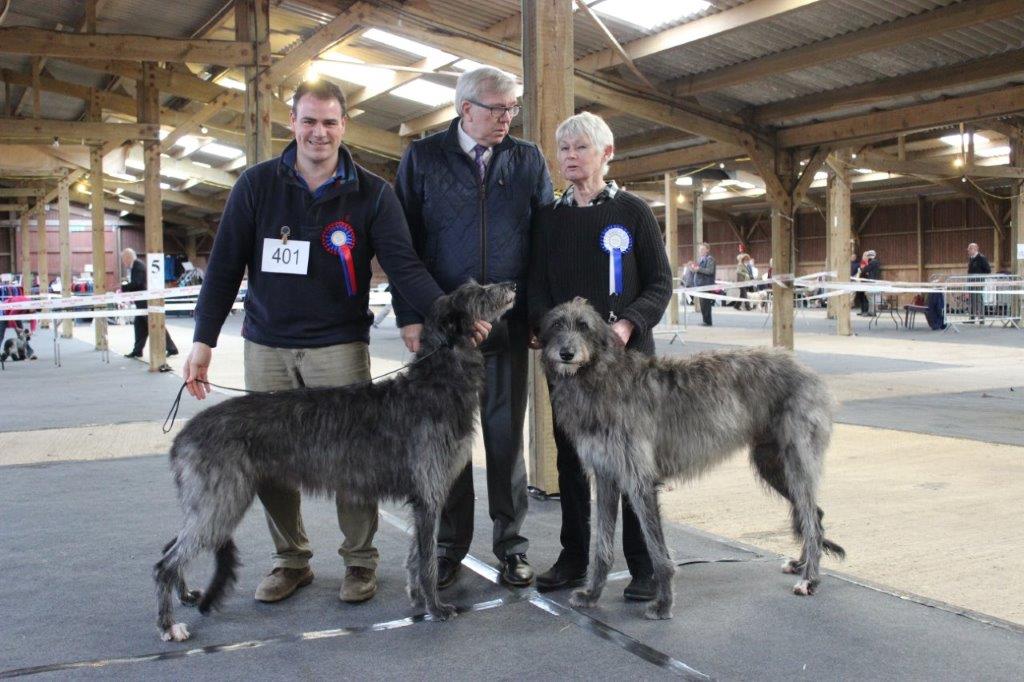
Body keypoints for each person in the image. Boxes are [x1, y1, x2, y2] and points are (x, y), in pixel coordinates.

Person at [184, 79, 450, 607]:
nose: (319, 132)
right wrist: (202, 340)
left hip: (338, 346)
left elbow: (404, 266)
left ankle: (359, 562)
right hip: (267, 346)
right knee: (268, 462)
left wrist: (448, 312)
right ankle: (290, 561)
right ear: (293, 122)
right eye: (309, 120)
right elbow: (222, 268)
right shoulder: (256, 185)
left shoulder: (373, 193)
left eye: (330, 122)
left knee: (357, 462)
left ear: (344, 125)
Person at [393, 66, 553, 588]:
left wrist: (536, 315)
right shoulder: (421, 158)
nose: (507, 117)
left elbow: (543, 245)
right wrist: (411, 317)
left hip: (507, 329)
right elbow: (403, 247)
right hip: (445, 335)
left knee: (506, 443)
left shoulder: (528, 159)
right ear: (465, 109)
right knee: (449, 443)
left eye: (512, 108)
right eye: (496, 108)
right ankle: (448, 547)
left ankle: (511, 547)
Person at [528, 111, 672, 601]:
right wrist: (541, 329)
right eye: (563, 148)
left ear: (606, 154)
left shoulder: (632, 212)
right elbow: (536, 287)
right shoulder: (548, 217)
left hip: (626, 365)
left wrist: (629, 322)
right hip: (566, 365)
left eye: (580, 148)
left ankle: (645, 563)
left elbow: (660, 283)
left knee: (633, 465)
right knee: (570, 460)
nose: (570, 157)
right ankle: (574, 555)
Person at [120, 248, 178, 363]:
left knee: (155, 324)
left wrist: (123, 287)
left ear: (128, 257)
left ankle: (172, 348)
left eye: (123, 259)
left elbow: (138, 283)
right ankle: (137, 350)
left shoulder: (138, 266)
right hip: (142, 303)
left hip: (146, 302)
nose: (123, 262)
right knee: (139, 325)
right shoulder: (135, 266)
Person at [689, 243, 716, 325]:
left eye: (703, 249)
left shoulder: (710, 259)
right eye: (700, 249)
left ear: (707, 250)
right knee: (703, 305)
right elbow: (697, 270)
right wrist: (692, 268)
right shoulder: (700, 259)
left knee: (706, 304)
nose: (701, 251)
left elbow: (710, 271)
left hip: (706, 285)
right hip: (700, 285)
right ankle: (705, 320)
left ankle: (707, 321)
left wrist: (698, 269)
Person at [966, 242, 991, 322]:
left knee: (978, 299)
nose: (968, 251)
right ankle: (972, 317)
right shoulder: (971, 258)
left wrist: (980, 277)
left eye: (969, 249)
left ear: (975, 249)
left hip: (978, 282)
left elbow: (988, 270)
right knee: (972, 299)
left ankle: (981, 317)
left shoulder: (981, 258)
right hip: (971, 282)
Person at [854, 249, 881, 316]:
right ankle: (871, 311)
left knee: (870, 297)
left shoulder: (872, 262)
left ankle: (872, 312)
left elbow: (865, 270)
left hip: (871, 282)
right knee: (871, 297)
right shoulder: (876, 262)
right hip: (874, 281)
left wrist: (861, 270)